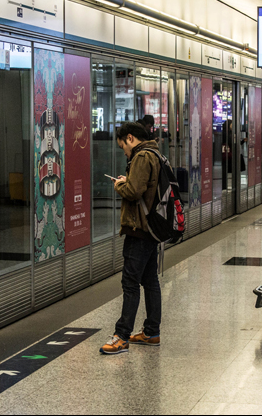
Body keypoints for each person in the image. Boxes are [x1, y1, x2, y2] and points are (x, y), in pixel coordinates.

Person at [100, 122, 162, 355]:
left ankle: (122, 336)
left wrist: (119, 185)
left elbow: (134, 191)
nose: (124, 152)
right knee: (150, 280)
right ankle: (151, 332)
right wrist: (128, 182)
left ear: (130, 138)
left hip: (138, 228)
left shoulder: (142, 156)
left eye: (123, 147)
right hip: (150, 227)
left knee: (130, 282)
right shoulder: (155, 153)